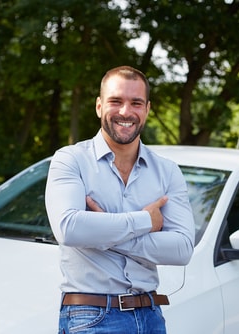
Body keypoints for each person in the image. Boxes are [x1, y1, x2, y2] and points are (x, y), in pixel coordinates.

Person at [45, 65, 195, 334]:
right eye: (116, 101)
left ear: (147, 109)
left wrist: (103, 230)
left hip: (151, 315)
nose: (126, 112)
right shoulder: (71, 160)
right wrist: (144, 221)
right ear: (99, 106)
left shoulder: (167, 171)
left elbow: (182, 248)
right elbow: (69, 228)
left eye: (135, 103)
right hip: (90, 315)